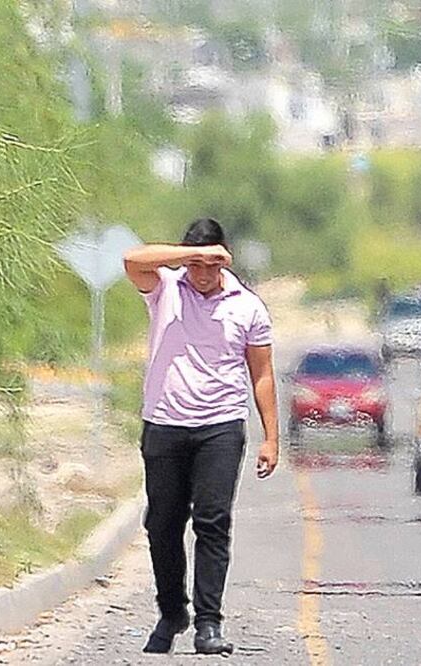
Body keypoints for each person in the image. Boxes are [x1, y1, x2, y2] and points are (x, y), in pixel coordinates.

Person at [122, 218, 279, 656]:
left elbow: (262, 374)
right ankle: (172, 610)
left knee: (212, 523)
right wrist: (186, 255)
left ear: (225, 260)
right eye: (198, 263)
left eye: (212, 263)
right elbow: (132, 260)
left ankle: (209, 623)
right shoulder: (166, 288)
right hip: (165, 423)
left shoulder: (247, 306)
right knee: (162, 525)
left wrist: (271, 437)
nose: (204, 273)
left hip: (221, 427)